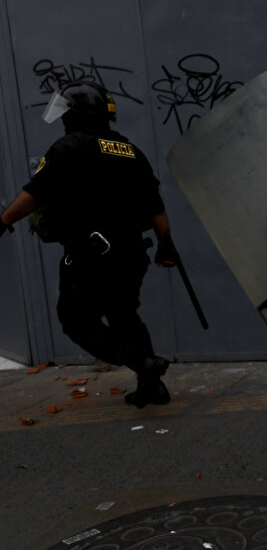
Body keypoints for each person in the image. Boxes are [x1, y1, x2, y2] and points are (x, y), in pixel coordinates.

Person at [0, 81, 175, 407]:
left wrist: (3, 220)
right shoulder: (129, 150)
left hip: (91, 256)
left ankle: (141, 363)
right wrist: (166, 244)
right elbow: (155, 206)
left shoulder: (69, 148)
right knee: (125, 315)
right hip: (131, 252)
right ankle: (152, 385)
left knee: (75, 319)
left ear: (75, 114)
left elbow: (33, 195)